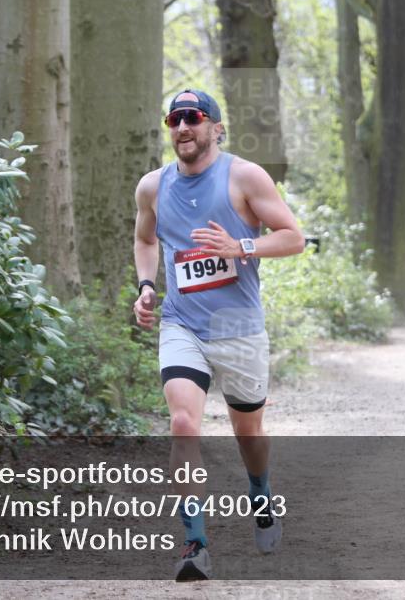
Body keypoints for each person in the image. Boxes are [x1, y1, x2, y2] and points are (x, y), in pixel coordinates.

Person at [132, 89, 304, 582]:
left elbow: (292, 236)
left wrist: (241, 245)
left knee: (248, 433)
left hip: (238, 327)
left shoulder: (244, 176)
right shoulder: (152, 187)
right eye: (174, 119)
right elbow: (145, 239)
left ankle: (261, 492)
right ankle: (194, 542)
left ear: (216, 128)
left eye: (193, 117)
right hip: (182, 323)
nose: (182, 127)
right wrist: (146, 286)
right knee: (184, 422)